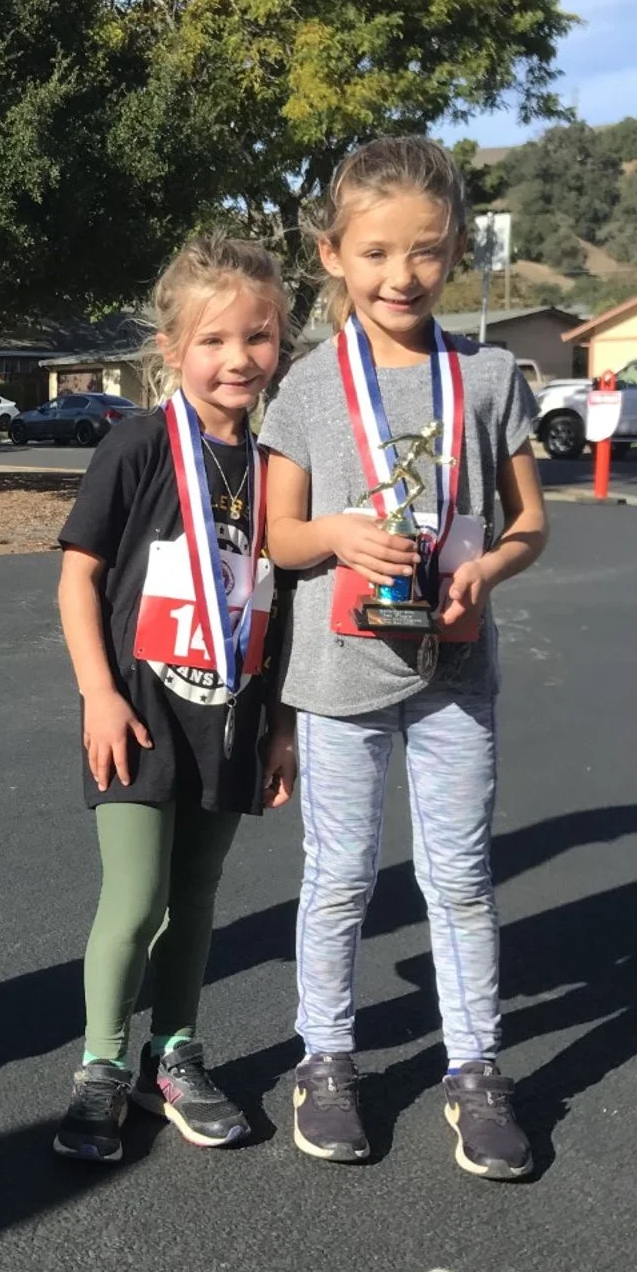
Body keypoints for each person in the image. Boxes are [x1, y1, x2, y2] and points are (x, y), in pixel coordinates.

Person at [263, 136, 548, 1180]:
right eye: (377, 252)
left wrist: (492, 572)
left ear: (459, 251)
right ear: (334, 253)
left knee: (460, 876)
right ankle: (325, 1059)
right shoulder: (304, 387)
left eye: (427, 253)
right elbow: (281, 537)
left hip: (453, 672)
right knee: (337, 876)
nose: (402, 275)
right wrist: (338, 535)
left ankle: (476, 1070)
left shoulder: (485, 374)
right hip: (339, 676)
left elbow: (528, 523)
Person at [51, 238, 297, 1163]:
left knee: (196, 900)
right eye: (215, 340)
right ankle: (101, 1066)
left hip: (231, 717)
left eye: (260, 337)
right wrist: (98, 695)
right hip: (140, 717)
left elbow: (283, 603)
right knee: (136, 897)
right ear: (170, 348)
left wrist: (282, 727)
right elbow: (79, 581)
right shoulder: (138, 445)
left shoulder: (277, 472)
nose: (238, 358)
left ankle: (176, 1051)